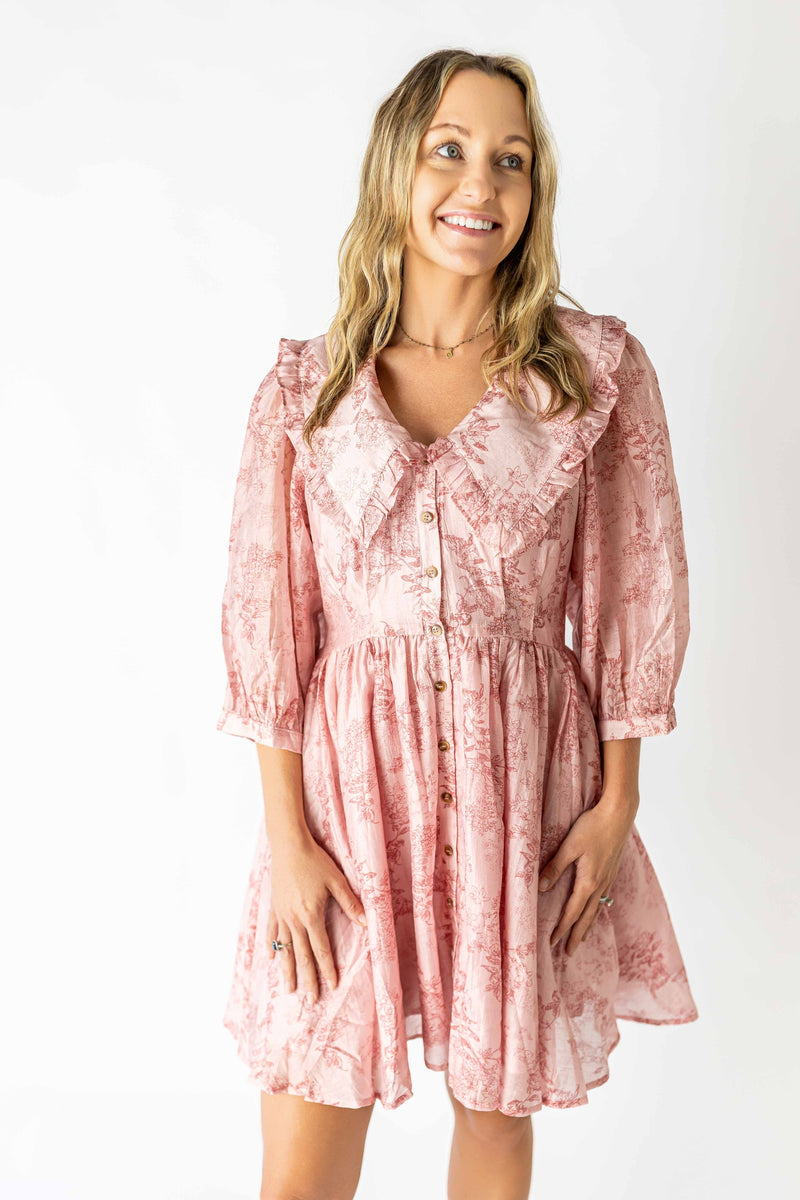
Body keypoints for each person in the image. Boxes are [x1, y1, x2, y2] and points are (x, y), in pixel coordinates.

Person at [216, 48, 699, 1200]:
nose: (478, 185)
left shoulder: (590, 378)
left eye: (510, 160)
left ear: (534, 195)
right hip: (342, 805)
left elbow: (632, 592)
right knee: (305, 1137)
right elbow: (266, 631)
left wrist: (616, 801)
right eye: (449, 149)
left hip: (522, 798)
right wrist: (287, 840)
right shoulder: (307, 391)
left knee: (491, 1113)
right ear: (397, 169)